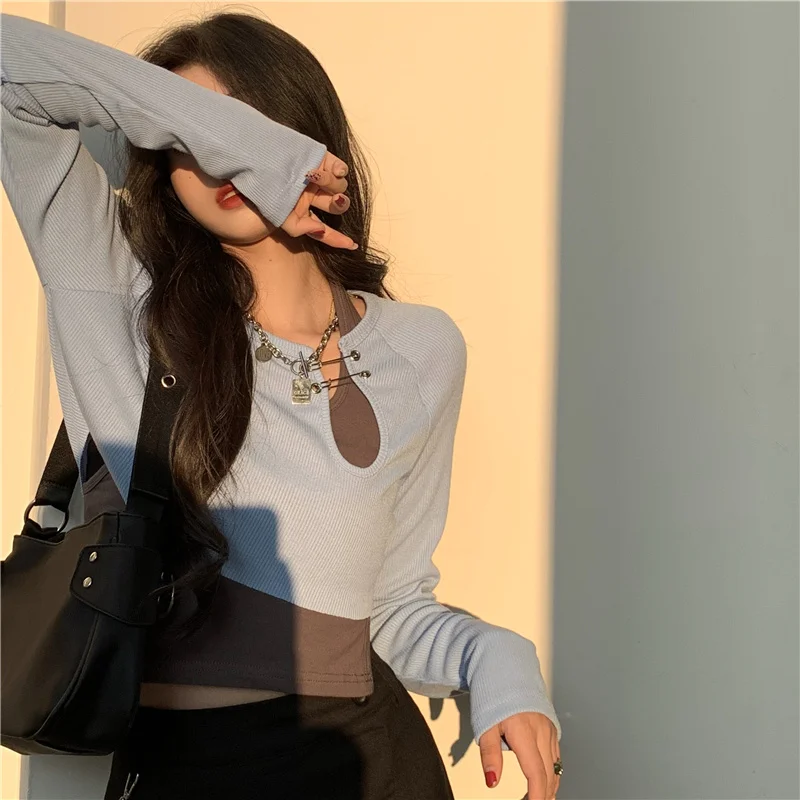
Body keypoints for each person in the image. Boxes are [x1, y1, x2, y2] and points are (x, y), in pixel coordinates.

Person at [0, 8, 562, 800]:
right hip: (187, 770)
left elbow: (392, 607)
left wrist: (496, 658)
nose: (218, 157)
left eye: (248, 120)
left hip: (370, 764)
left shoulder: (422, 348)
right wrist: (254, 149)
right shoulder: (115, 292)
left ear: (309, 129)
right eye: (190, 134)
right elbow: (8, 72)